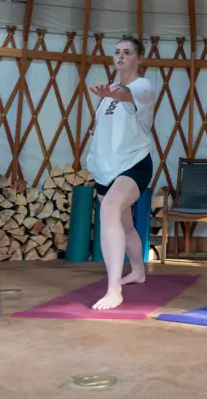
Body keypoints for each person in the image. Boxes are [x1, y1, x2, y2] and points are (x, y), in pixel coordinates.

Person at [84, 36, 157, 310]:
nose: (121, 56)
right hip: (107, 167)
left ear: (139, 58)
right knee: (124, 225)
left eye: (128, 52)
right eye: (117, 52)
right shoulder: (108, 91)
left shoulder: (143, 86)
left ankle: (113, 290)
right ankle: (137, 270)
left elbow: (130, 96)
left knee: (110, 211)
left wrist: (116, 93)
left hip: (134, 163)